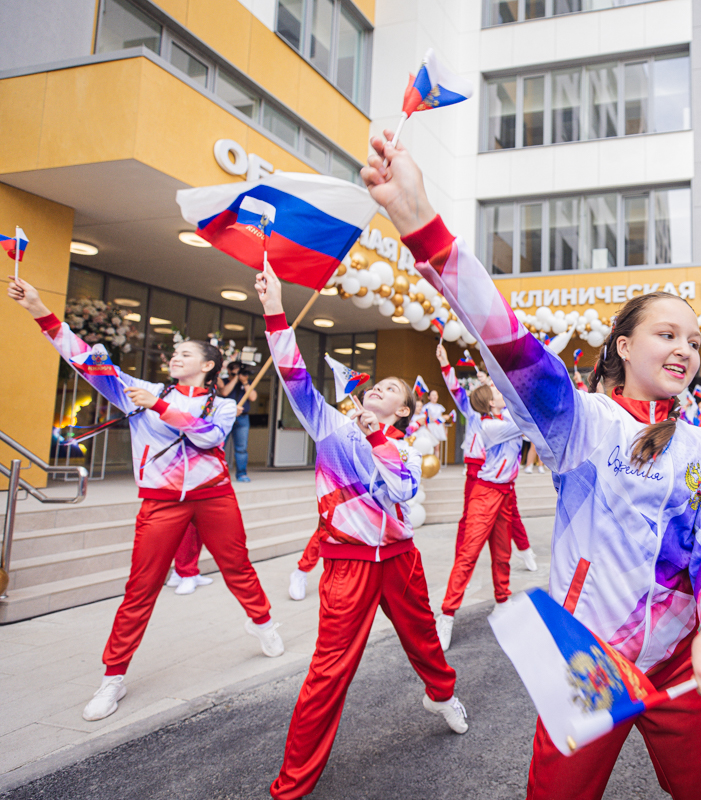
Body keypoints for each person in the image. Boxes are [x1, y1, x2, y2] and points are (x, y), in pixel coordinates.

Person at [364, 134, 701, 800]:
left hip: (673, 663)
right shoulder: (582, 424)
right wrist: (423, 227)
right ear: (624, 346)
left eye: (695, 340)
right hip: (586, 658)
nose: (686, 349)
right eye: (668, 334)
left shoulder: (699, 450)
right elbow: (512, 345)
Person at [8, 275, 281, 723]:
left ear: (208, 366)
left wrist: (157, 408)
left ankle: (263, 621)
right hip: (160, 502)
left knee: (238, 565)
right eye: (173, 353)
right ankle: (112, 678)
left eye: (186, 354)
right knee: (141, 588)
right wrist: (39, 307)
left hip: (214, 496)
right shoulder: (142, 390)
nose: (175, 357)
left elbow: (209, 435)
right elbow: (82, 360)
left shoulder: (222, 406)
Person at [255, 262, 466, 800]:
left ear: (403, 408)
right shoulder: (328, 425)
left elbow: (401, 492)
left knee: (423, 642)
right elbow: (294, 374)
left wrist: (378, 440)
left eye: (392, 388)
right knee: (328, 673)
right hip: (347, 566)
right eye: (376, 384)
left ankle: (442, 694)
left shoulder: (404, 448)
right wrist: (275, 310)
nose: (379, 389)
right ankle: (291, 785)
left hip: (399, 561)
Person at [434, 343, 532, 650]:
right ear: (490, 404)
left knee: (502, 552)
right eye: (496, 391)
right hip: (485, 491)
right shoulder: (492, 425)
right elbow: (528, 422)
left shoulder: (504, 419)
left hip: (505, 492)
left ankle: (502, 600)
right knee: (469, 552)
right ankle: (447, 613)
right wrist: (447, 366)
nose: (500, 391)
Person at [217, 360, 256, 482]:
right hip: (225, 417)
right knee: (219, 446)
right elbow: (224, 392)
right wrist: (234, 378)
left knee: (241, 448)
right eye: (234, 371)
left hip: (242, 418)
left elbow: (253, 397)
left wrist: (244, 382)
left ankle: (241, 473)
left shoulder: (246, 383)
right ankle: (218, 474)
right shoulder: (223, 381)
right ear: (228, 371)